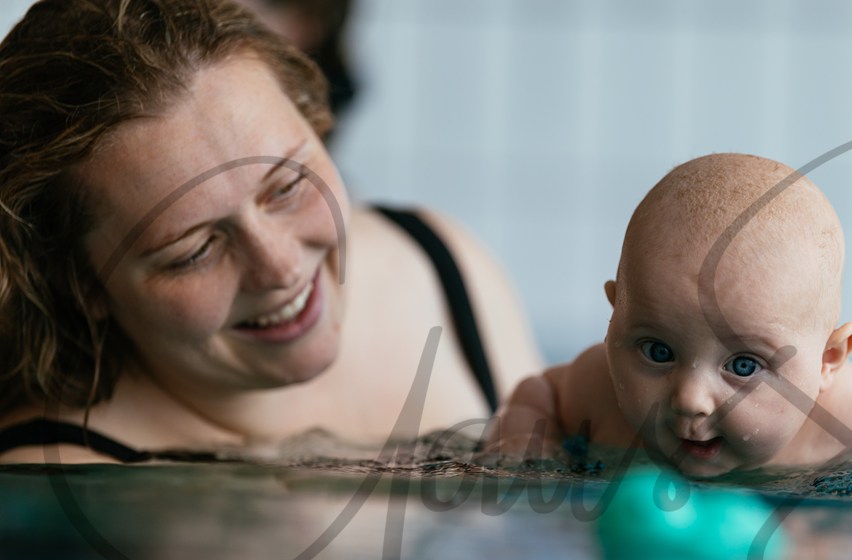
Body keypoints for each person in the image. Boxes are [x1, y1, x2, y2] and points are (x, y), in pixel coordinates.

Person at [0, 0, 542, 464]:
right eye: (195, 251)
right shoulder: (66, 478)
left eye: (289, 186)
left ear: (316, 122)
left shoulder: (439, 266)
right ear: (82, 283)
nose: (280, 268)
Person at [490, 153, 852, 499]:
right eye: (656, 351)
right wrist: (524, 440)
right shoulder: (597, 394)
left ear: (829, 361)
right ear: (615, 319)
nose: (690, 399)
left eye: (744, 365)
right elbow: (541, 390)